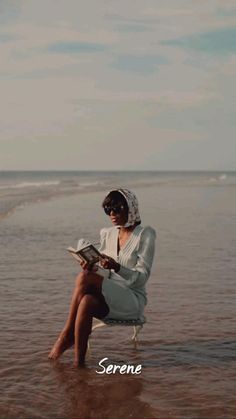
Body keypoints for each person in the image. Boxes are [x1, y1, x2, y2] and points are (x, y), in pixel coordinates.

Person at [48, 188, 156, 367]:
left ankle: (67, 334)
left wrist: (117, 267)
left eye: (117, 209)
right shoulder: (108, 233)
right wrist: (92, 267)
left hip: (132, 299)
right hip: (109, 295)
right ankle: (79, 365)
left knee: (84, 278)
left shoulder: (145, 234)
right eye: (108, 210)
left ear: (131, 208)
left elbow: (142, 278)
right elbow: (105, 274)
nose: (112, 214)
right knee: (87, 300)